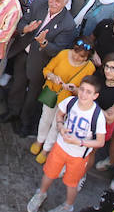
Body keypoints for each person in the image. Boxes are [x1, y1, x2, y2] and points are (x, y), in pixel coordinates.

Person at [2, 0, 77, 137]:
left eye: (58, 1)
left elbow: (59, 50)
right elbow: (22, 22)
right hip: (24, 53)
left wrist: (44, 43)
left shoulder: (68, 24)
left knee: (33, 94)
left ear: (65, 2)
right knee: (17, 85)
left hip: (41, 62)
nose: (53, 3)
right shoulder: (38, 4)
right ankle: (13, 112)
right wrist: (26, 29)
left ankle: (25, 122)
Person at [26, 75, 106, 212]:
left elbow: (100, 142)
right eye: (82, 89)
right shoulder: (71, 101)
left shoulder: (97, 115)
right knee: (49, 173)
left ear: (95, 95)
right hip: (60, 147)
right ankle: (41, 193)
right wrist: (61, 126)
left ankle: (68, 206)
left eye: (88, 92)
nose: (83, 94)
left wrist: (79, 142)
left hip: (78, 156)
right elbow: (60, 114)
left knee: (72, 183)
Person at [27, 37, 95, 162]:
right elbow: (47, 69)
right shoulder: (63, 54)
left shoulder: (89, 68)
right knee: (45, 119)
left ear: (87, 58)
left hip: (68, 99)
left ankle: (46, 148)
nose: (77, 57)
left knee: (57, 125)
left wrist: (75, 89)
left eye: (81, 56)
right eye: (76, 53)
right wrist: (52, 77)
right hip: (52, 92)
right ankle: (39, 140)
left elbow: (84, 89)